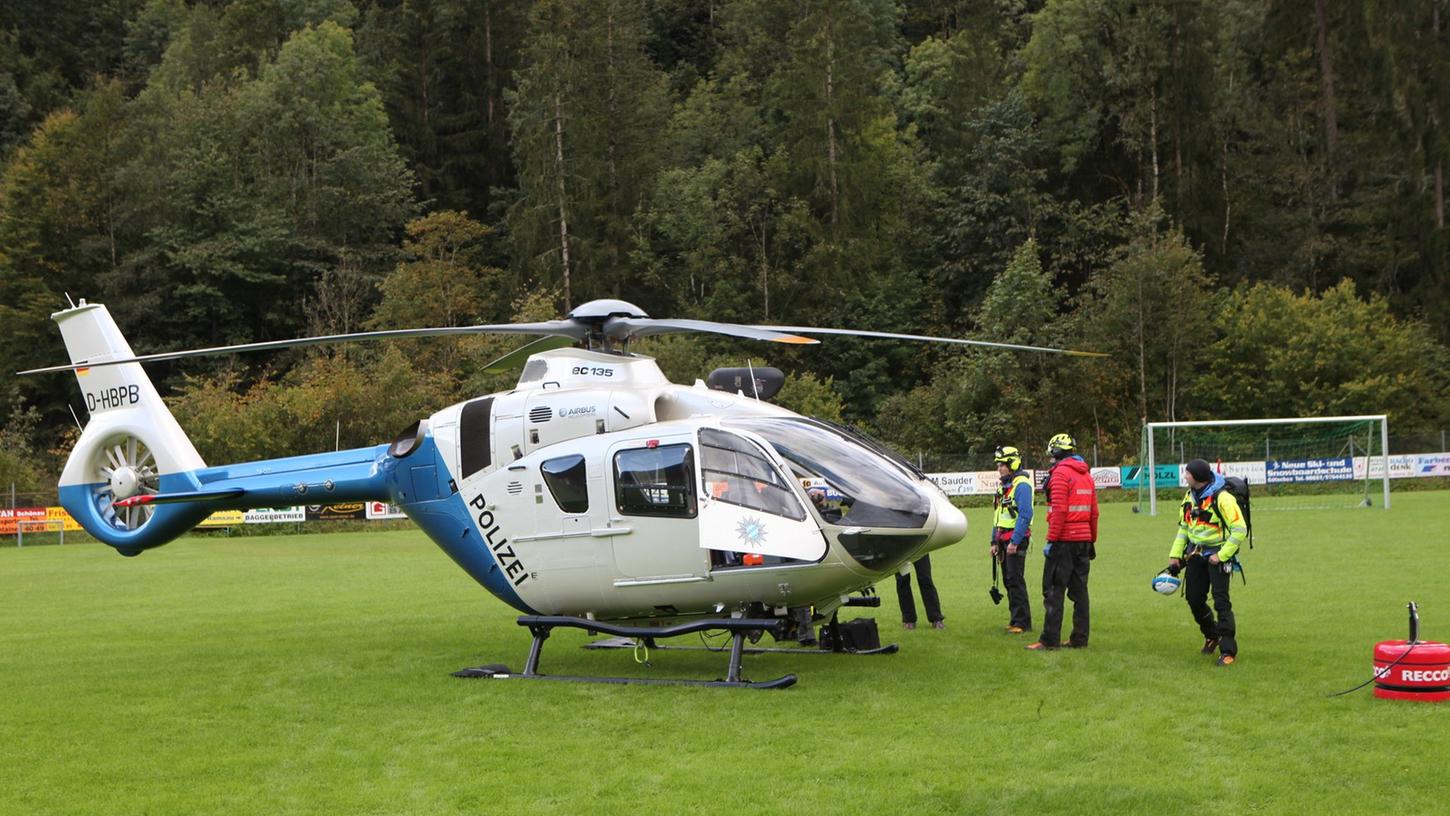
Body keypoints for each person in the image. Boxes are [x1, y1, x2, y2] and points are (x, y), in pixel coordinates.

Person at [1164, 458, 1246, 666]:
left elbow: (1239, 529)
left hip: (1217, 556)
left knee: (1221, 602)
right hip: (1195, 556)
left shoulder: (1223, 498)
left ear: (1197, 477)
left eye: (1188, 473)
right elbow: (1184, 528)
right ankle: (1212, 634)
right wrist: (1176, 554)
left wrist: (1222, 555)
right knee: (1193, 598)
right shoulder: (1189, 496)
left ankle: (1228, 651)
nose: (1185, 476)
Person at [1027, 433, 1098, 651]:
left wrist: (1051, 539)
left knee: (1053, 591)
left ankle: (1049, 640)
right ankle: (1079, 639)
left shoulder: (1060, 475)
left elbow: (1058, 510)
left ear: (1056, 452)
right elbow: (1094, 513)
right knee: (1080, 593)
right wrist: (1091, 538)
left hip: (1064, 541)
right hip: (1083, 540)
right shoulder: (1086, 475)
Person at [990, 445, 1034, 633]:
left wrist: (1014, 541)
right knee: (1009, 580)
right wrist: (993, 541)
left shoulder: (1021, 485)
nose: (999, 468)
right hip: (1003, 539)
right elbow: (998, 516)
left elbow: (1025, 515)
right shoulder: (1004, 487)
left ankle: (1022, 622)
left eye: (1002, 464)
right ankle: (1016, 619)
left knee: (1015, 579)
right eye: (999, 464)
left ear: (1012, 464)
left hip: (1015, 540)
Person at [897, 555, 945, 630]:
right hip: (899, 548)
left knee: (925, 579)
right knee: (902, 581)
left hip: (919, 546)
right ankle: (909, 620)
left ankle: (936, 618)